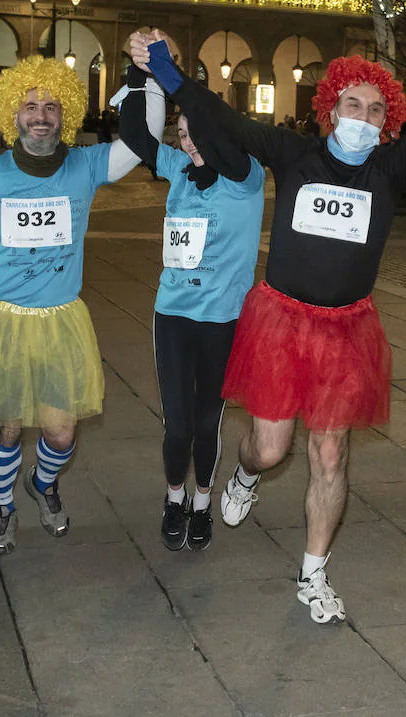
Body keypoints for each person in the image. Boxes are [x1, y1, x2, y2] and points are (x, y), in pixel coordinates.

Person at [130, 0, 406, 623]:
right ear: (331, 108)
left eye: (376, 110)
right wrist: (165, 71)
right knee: (270, 450)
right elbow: (223, 120)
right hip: (281, 322)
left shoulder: (390, 169)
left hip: (347, 331)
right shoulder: (294, 155)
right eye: (353, 105)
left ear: (388, 121)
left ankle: (314, 573)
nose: (363, 119)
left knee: (331, 454)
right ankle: (244, 475)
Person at [0, 56, 162, 554]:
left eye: (50, 106)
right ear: (11, 114)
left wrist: (147, 78)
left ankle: (42, 483)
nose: (40, 115)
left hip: (61, 318)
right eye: (29, 105)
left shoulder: (86, 165)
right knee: (8, 426)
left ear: (66, 115)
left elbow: (145, 138)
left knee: (62, 435)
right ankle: (2, 506)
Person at [115, 67, 266, 552]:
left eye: (195, 133)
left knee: (207, 423)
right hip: (174, 315)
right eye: (181, 135)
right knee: (177, 424)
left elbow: (223, 147)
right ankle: (174, 497)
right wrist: (138, 78)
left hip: (222, 320)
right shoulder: (178, 169)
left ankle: (203, 504)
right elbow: (136, 135)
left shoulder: (245, 178)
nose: (187, 143)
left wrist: (177, 80)